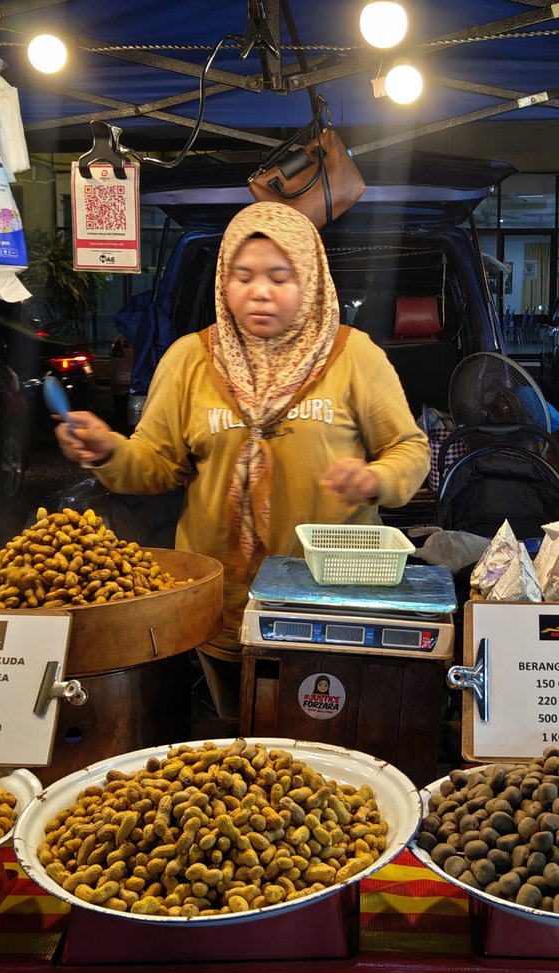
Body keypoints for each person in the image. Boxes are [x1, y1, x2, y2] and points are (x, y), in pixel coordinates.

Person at [57, 202, 430, 714]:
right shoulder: (189, 359)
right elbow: (155, 465)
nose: (259, 291)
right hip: (223, 596)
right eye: (243, 275)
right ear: (223, 281)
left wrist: (376, 478)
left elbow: (409, 448)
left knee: (323, 724)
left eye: (280, 277)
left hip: (328, 595)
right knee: (238, 733)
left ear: (311, 280)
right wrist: (108, 451)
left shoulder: (354, 355)